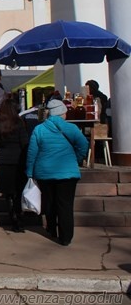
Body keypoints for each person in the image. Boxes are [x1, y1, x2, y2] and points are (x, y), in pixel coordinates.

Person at [26, 99, 88, 246]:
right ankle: (66, 237)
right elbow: (83, 145)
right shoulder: (71, 128)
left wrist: (29, 171)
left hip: (44, 172)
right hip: (68, 172)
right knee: (65, 205)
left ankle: (51, 228)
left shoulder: (39, 129)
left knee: (49, 202)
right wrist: (76, 159)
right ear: (61, 113)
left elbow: (32, 152)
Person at [0, 99, 28, 232]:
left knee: (8, 192)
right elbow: (25, 143)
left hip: (4, 160)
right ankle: (19, 217)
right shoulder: (19, 123)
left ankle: (13, 217)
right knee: (19, 191)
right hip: (19, 160)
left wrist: (0, 150)